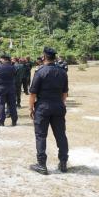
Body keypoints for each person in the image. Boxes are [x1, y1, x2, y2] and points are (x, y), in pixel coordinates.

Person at [29, 47, 69, 175]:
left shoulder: (40, 72)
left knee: (41, 135)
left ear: (44, 57)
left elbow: (33, 93)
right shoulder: (62, 72)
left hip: (43, 106)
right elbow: (65, 92)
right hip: (58, 105)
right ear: (54, 58)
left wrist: (31, 108)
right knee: (61, 135)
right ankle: (63, 162)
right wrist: (62, 104)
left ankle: (42, 164)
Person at [0, 54, 17, 126]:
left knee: (1, 104)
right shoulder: (13, 67)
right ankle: (14, 121)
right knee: (12, 104)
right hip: (11, 87)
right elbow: (14, 75)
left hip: (1, 87)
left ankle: (1, 121)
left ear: (3, 59)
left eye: (0, 59)